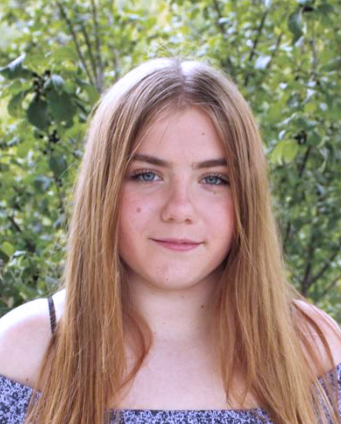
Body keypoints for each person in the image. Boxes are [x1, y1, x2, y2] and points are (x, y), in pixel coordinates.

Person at [0, 58, 340, 424]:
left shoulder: (310, 349)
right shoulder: (24, 353)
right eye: (147, 175)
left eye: (214, 179)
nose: (180, 209)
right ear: (104, 188)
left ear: (247, 196)